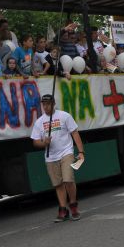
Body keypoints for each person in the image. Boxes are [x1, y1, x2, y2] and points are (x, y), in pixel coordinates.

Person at [30, 94, 85, 222]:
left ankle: (73, 205)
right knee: (58, 184)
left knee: (68, 179)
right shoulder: (39, 122)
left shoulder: (64, 116)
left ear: (53, 104)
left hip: (66, 152)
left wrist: (81, 151)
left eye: (48, 104)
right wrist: (44, 143)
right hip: (51, 156)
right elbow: (35, 142)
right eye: (44, 104)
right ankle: (62, 209)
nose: (46, 106)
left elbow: (74, 133)